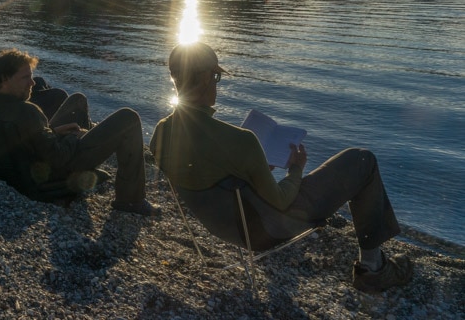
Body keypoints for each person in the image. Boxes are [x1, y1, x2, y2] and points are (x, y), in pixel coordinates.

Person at [149, 41, 413, 293]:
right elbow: (282, 202)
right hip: (266, 230)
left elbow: (204, 171)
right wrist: (295, 169)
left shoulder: (160, 134)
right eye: (217, 78)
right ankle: (373, 269)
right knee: (361, 160)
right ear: (207, 77)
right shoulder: (242, 141)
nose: (217, 84)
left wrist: (253, 173)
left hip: (226, 227)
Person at [0, 48, 160, 215]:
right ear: (5, 79)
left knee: (77, 100)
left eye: (31, 77)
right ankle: (131, 200)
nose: (32, 83)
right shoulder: (27, 111)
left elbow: (26, 140)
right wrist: (74, 138)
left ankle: (91, 148)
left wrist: (53, 132)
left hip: (30, 161)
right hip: (54, 172)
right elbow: (58, 158)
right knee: (128, 118)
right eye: (25, 78)